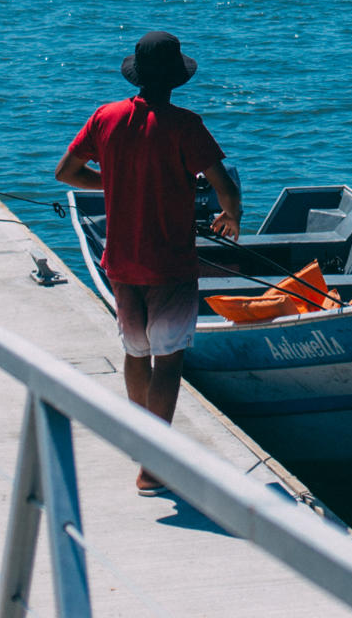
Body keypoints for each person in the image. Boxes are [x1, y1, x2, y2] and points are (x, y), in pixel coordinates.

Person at [52, 32, 240, 492]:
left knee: (135, 353)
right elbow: (224, 187)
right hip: (171, 264)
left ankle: (142, 444)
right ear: (176, 80)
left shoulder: (106, 116)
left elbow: (66, 173)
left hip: (120, 261)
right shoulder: (185, 124)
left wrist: (113, 183)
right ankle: (154, 464)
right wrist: (231, 217)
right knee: (168, 361)